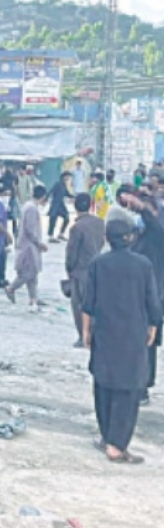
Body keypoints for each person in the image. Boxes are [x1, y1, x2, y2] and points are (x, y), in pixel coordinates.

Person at [84, 212, 161, 464]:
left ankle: (107, 437)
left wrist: (86, 332)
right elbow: (153, 303)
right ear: (129, 238)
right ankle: (117, 446)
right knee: (128, 391)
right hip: (133, 335)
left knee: (103, 384)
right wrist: (153, 326)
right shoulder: (143, 265)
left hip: (105, 333)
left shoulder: (98, 263)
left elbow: (88, 304)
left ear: (108, 238)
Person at [123, 192, 164, 403]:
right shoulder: (142, 233)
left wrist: (144, 208)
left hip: (154, 297)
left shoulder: (157, 236)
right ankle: (136, 383)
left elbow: (157, 227)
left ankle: (144, 387)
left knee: (148, 343)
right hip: (137, 295)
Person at [66, 193, 105, 349]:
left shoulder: (77, 228)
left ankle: (83, 336)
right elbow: (101, 243)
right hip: (97, 267)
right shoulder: (100, 223)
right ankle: (94, 335)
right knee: (94, 304)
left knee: (79, 305)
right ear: (90, 205)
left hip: (80, 270)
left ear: (75, 206)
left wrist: (69, 268)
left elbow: (72, 253)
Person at [6, 185, 49, 311]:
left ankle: (33, 299)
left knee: (33, 273)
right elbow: (30, 229)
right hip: (29, 246)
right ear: (43, 197)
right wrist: (39, 242)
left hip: (29, 245)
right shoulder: (31, 208)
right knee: (28, 273)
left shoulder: (29, 206)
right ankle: (11, 288)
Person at [47, 172, 73, 243]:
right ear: (63, 176)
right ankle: (51, 237)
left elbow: (66, 193)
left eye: (69, 177)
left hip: (61, 205)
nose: (68, 178)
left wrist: (74, 196)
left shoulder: (64, 184)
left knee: (67, 218)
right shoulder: (57, 183)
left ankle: (61, 234)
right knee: (53, 221)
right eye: (67, 176)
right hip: (55, 204)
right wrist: (45, 199)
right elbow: (50, 191)